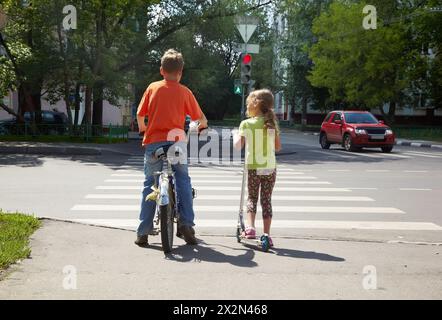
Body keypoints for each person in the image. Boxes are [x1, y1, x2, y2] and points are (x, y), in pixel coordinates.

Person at [135, 49, 208, 247]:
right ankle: (186, 224)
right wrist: (202, 126)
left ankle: (143, 232)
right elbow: (200, 118)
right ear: (181, 72)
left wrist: (143, 130)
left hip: (154, 144)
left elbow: (140, 115)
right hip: (177, 145)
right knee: (182, 179)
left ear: (161, 70)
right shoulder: (185, 92)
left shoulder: (152, 88)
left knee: (150, 183)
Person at [233, 89, 281, 247]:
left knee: (252, 197)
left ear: (256, 105)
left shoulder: (246, 124)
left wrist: (236, 135)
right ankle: (267, 234)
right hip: (270, 167)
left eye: (248, 104)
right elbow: (277, 147)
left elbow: (237, 147)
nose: (247, 107)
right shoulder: (271, 123)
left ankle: (251, 228)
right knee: (266, 200)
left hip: (253, 166)